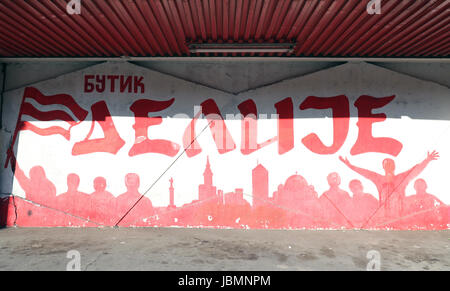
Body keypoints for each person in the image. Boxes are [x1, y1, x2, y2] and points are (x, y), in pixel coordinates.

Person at [339, 150, 439, 219]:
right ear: (383, 167)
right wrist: (350, 166)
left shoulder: (401, 178)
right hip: (383, 217)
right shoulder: (378, 179)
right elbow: (364, 172)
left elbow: (416, 170)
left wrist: (427, 160)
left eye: (390, 164)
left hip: (399, 216)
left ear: (394, 166)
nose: (388, 166)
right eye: (386, 164)